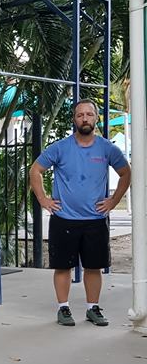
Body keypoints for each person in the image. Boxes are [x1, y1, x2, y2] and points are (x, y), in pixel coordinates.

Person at [29, 99, 131, 327]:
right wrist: (43, 199)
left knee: (93, 267)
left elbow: (125, 172)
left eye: (89, 114)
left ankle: (92, 308)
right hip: (64, 219)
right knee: (63, 267)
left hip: (95, 220)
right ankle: (63, 309)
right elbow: (36, 170)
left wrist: (114, 201)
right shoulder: (60, 147)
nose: (84, 119)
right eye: (80, 115)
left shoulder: (107, 148)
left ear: (96, 118)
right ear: (74, 119)